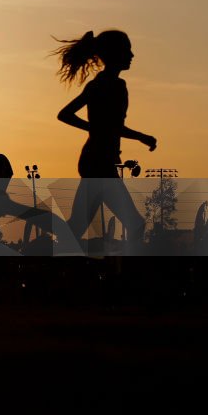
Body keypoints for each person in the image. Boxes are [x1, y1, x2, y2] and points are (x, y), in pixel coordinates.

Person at [55, 30, 154, 252]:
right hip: (99, 162)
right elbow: (68, 115)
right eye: (127, 50)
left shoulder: (106, 85)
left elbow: (110, 127)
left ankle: (44, 261)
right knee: (135, 224)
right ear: (115, 54)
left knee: (77, 226)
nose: (132, 55)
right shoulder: (109, 86)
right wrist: (98, 129)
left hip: (97, 160)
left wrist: (137, 136)